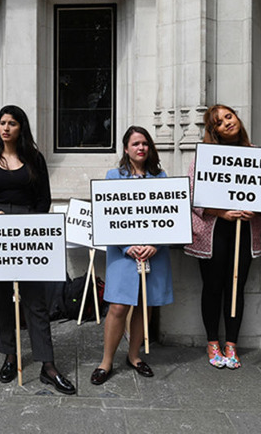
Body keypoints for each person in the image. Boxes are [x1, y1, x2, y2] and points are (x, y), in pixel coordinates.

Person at [0, 105, 75, 395]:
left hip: (29, 232)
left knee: (35, 300)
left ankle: (47, 364)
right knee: (1, 299)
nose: (5, 128)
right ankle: (10, 355)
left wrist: (30, 223)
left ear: (21, 128)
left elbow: (44, 199)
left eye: (12, 123)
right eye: (2, 122)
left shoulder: (34, 159)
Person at [90, 126, 173, 385]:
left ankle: (134, 356)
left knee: (144, 305)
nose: (141, 148)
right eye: (136, 144)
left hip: (154, 253)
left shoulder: (161, 177)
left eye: (145, 143)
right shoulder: (113, 177)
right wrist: (127, 246)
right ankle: (106, 362)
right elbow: (107, 217)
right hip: (122, 253)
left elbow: (170, 216)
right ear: (126, 149)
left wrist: (156, 245)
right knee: (118, 306)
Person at [184, 105, 261, 369]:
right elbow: (191, 195)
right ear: (214, 131)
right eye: (219, 122)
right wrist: (221, 212)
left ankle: (232, 344)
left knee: (236, 288)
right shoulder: (204, 157)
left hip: (244, 231)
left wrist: (257, 208)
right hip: (213, 231)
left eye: (229, 117)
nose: (227, 123)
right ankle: (212, 342)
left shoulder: (256, 155)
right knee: (213, 287)